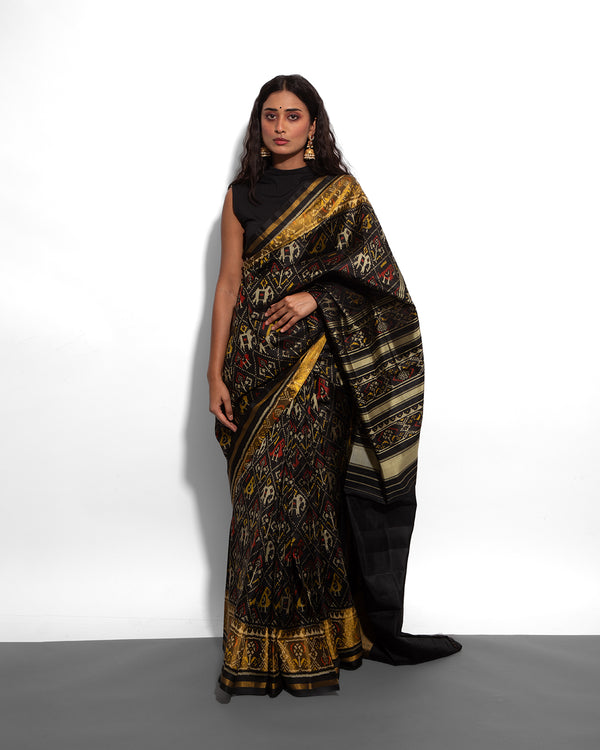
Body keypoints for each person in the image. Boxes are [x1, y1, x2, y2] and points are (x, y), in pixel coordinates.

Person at [207, 74, 461, 699]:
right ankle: (253, 652)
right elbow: (228, 285)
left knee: (305, 507)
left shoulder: (339, 193)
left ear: (313, 125)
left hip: (317, 373)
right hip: (251, 367)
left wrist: (315, 297)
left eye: (293, 115)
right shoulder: (239, 196)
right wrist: (214, 373)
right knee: (256, 511)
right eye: (271, 115)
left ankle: (319, 645)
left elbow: (383, 284)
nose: (280, 126)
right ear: (259, 124)